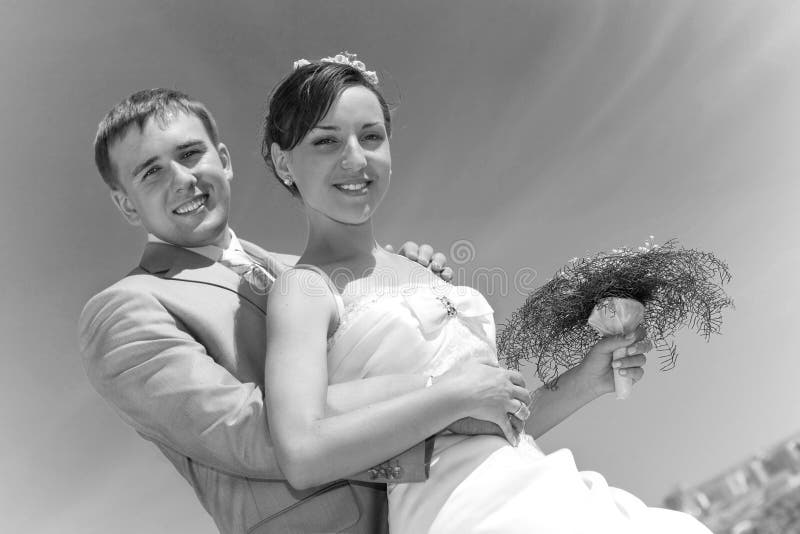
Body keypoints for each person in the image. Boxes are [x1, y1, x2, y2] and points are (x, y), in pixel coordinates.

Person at [260, 54, 713, 533]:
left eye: (371, 136)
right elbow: (302, 453)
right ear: (283, 159)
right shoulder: (304, 288)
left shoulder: (419, 267)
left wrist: (586, 380)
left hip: (544, 484)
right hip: (468, 515)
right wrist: (457, 393)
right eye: (326, 141)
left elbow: (492, 421)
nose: (356, 158)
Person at [78, 88, 532, 534]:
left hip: (443, 510)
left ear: (224, 159)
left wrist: (405, 285)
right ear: (125, 204)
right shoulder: (126, 310)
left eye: (191, 153)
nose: (182, 179)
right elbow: (253, 430)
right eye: (151, 172)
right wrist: (442, 394)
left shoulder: (310, 270)